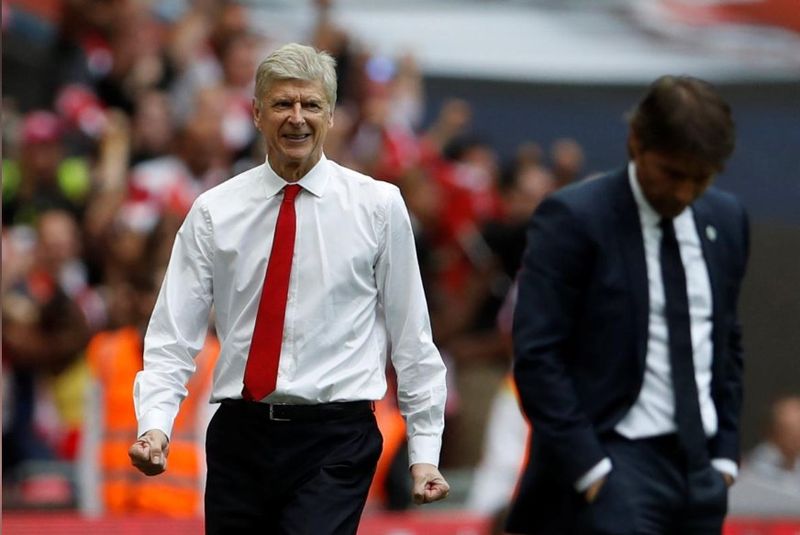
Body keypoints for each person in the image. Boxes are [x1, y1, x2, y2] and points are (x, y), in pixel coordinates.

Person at [128, 43, 449, 534]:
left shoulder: (379, 208)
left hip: (336, 437)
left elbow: (412, 337)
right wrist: (156, 424)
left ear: (333, 115)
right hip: (240, 435)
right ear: (256, 114)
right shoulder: (215, 212)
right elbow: (174, 333)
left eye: (311, 105)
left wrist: (424, 451)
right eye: (282, 104)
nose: (296, 118)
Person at [507, 75, 748, 534]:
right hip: (614, 461)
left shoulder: (727, 219)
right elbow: (537, 356)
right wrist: (591, 469)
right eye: (672, 173)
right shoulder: (575, 218)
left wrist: (725, 455)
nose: (684, 193)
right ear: (636, 141)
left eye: (701, 179)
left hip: (702, 471)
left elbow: (727, 340)